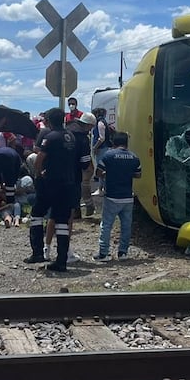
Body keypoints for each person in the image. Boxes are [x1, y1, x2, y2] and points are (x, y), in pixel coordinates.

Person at [26, 107, 89, 272]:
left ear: (48, 121)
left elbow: (40, 158)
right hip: (68, 183)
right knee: (62, 221)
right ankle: (61, 261)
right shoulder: (72, 137)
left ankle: (38, 252)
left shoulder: (50, 137)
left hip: (51, 183)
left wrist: (39, 174)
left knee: (37, 214)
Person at [95, 132, 141, 261]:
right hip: (127, 196)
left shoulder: (108, 155)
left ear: (113, 143)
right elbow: (138, 175)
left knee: (106, 225)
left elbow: (98, 173)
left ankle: (103, 253)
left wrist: (108, 173)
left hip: (112, 196)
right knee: (126, 226)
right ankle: (123, 253)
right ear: (127, 143)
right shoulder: (134, 157)